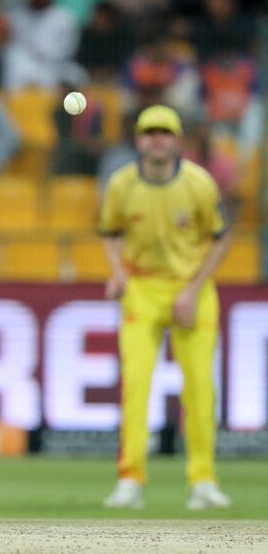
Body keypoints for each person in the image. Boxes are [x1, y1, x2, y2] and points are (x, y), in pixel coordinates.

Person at [99, 105, 232, 511]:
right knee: (136, 386)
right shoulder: (121, 185)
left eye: (165, 133)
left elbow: (219, 237)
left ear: (177, 140)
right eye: (150, 132)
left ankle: (203, 481)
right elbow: (110, 232)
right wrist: (118, 271)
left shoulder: (198, 184)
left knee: (200, 391)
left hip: (191, 290)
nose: (157, 139)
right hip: (142, 288)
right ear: (139, 140)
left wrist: (192, 290)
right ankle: (130, 480)